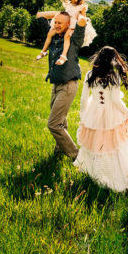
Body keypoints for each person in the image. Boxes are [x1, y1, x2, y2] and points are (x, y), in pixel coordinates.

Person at [73, 46, 128, 192]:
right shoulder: (114, 76)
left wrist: (84, 114)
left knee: (95, 144)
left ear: (99, 57)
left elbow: (84, 98)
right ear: (113, 60)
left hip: (93, 112)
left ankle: (96, 174)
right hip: (111, 115)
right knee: (113, 146)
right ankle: (112, 175)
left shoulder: (90, 74)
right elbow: (115, 100)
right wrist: (127, 113)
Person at [44, 11, 87, 161]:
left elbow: (81, 27)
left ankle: (76, 156)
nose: (56, 25)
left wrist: (80, 16)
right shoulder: (55, 38)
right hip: (56, 84)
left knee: (53, 124)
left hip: (68, 85)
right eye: (55, 22)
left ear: (68, 25)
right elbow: (46, 22)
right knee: (60, 120)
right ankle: (60, 149)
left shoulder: (73, 41)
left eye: (60, 23)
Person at [36, 0, 97, 65]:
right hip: (65, 21)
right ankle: (43, 51)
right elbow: (65, 14)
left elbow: (83, 18)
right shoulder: (67, 4)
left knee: (67, 36)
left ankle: (63, 55)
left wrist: (80, 20)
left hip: (73, 24)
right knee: (50, 33)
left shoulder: (81, 6)